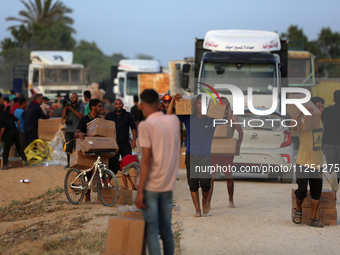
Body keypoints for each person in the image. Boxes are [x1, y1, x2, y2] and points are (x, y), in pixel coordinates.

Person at [135, 89, 181, 255]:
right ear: (159, 103)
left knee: (152, 230)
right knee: (166, 230)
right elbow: (169, 115)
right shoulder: (174, 121)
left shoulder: (145, 126)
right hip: (168, 184)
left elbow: (146, 160)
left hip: (151, 186)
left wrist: (140, 191)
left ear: (141, 105)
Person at [168, 94, 215, 217]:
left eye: (204, 104)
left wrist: (228, 107)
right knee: (192, 183)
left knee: (206, 183)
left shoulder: (212, 119)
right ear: (195, 105)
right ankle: (197, 210)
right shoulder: (188, 117)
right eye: (199, 103)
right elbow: (168, 116)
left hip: (206, 155)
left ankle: (205, 200)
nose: (201, 106)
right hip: (191, 154)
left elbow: (228, 119)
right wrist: (173, 100)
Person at [290, 103, 324, 227]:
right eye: (318, 107)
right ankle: (298, 211)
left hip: (318, 163)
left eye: (322, 107)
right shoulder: (304, 122)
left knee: (316, 192)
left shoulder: (322, 122)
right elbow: (291, 126)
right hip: (303, 162)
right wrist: (300, 112)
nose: (320, 109)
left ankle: (313, 218)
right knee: (302, 190)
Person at [207, 97, 243, 208]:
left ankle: (231, 200)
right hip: (214, 151)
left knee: (228, 176)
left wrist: (238, 144)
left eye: (224, 104)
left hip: (226, 151)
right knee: (211, 178)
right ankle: (208, 202)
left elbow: (240, 131)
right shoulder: (212, 118)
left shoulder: (232, 117)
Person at [74, 99, 103, 203]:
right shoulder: (84, 119)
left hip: (98, 149)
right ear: (93, 107)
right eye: (99, 106)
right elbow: (76, 133)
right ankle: (88, 198)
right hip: (87, 150)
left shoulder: (100, 120)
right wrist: (80, 134)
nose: (101, 108)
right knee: (89, 173)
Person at [105, 99, 137, 172]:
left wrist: (134, 140)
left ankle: (128, 182)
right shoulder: (109, 116)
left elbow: (133, 128)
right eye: (116, 104)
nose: (118, 105)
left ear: (122, 105)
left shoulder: (128, 115)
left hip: (125, 143)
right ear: (114, 106)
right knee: (113, 165)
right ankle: (111, 181)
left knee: (128, 163)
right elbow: (104, 127)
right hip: (113, 144)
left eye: (120, 104)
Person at [0, 104, 29, 170]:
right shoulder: (8, 114)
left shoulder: (0, 117)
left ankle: (4, 165)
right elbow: (17, 120)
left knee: (6, 149)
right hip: (14, 131)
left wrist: (0, 137)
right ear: (4, 109)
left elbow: (3, 128)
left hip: (8, 133)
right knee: (19, 147)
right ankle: (26, 160)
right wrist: (18, 129)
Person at [322, 90, 340, 184]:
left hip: (328, 141)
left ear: (333, 99)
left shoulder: (327, 110)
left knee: (332, 167)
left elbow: (321, 122)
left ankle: (334, 191)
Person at [62, 93, 84, 168]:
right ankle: (69, 163)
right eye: (71, 98)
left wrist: (72, 109)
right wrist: (66, 108)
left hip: (76, 131)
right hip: (68, 130)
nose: (73, 99)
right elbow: (63, 117)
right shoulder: (68, 107)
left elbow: (80, 116)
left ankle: (76, 163)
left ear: (77, 98)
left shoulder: (80, 106)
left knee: (77, 149)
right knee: (68, 148)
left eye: (74, 97)